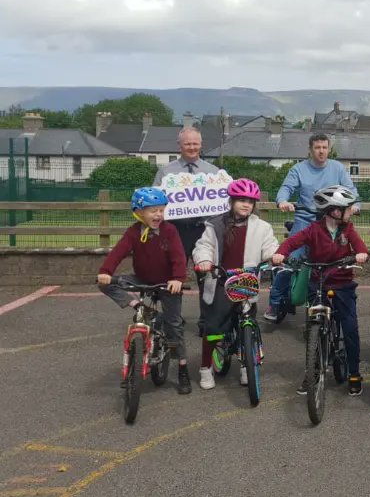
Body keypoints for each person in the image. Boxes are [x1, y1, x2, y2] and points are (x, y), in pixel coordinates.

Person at [272, 185, 369, 395]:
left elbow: (360, 247)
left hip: (343, 284)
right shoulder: (313, 229)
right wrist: (280, 253)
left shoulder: (348, 230)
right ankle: (313, 372)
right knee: (313, 328)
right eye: (348, 208)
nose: (351, 211)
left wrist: (360, 254)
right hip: (319, 283)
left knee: (350, 328)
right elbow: (291, 242)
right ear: (335, 211)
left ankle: (354, 373)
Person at [97, 188, 190, 394]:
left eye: (161, 210)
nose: (158, 215)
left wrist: (177, 278)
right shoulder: (133, 232)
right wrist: (105, 271)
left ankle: (182, 367)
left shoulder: (170, 231)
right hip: (142, 279)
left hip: (168, 282)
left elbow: (178, 256)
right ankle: (139, 306)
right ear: (139, 212)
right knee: (105, 283)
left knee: (173, 326)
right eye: (152, 211)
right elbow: (118, 252)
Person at [191, 179, 279, 390]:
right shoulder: (216, 224)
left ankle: (245, 364)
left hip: (246, 280)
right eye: (241, 200)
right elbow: (204, 246)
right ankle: (205, 367)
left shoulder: (262, 227)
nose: (246, 204)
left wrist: (275, 256)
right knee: (213, 328)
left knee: (247, 322)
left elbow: (270, 247)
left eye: (250, 201)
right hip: (221, 279)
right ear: (231, 201)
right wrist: (204, 260)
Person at [267, 134, 358, 323]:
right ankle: (275, 304)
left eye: (324, 147)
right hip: (305, 219)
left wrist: (356, 205)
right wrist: (283, 201)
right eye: (317, 147)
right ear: (310, 149)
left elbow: (352, 190)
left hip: (331, 221)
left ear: (329, 149)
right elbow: (286, 188)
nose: (321, 151)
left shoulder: (338, 168)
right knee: (289, 261)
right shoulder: (298, 169)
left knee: (336, 260)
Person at [152, 127, 220, 261]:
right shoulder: (165, 172)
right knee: (174, 271)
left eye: (195, 144)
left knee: (206, 272)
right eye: (188, 144)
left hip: (204, 229)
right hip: (174, 229)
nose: (192, 147)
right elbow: (155, 200)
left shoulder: (214, 172)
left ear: (201, 145)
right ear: (180, 145)